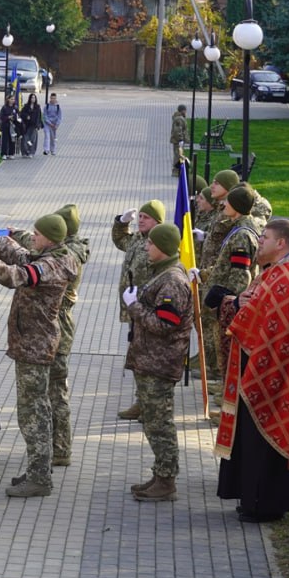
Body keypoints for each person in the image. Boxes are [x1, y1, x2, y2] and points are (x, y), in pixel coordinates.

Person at [215, 218, 289, 523]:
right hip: (262, 365)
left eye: (264, 238)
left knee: (262, 440)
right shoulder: (280, 270)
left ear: (281, 243)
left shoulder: (288, 276)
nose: (259, 242)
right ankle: (251, 497)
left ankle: (264, 503)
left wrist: (235, 306)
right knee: (250, 439)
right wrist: (237, 303)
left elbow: (274, 329)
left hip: (273, 373)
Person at [0, 215, 77, 497]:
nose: (34, 237)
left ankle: (39, 479)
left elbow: (20, 275)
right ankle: (39, 469)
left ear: (50, 239)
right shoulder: (53, 255)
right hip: (33, 342)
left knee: (33, 413)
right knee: (37, 409)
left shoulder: (52, 264)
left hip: (35, 346)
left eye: (37, 234)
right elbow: (25, 255)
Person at [11, 203, 86, 469]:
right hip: (57, 329)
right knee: (53, 392)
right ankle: (55, 448)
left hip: (55, 331)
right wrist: (13, 233)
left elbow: (31, 258)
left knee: (54, 393)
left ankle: (59, 448)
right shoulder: (70, 248)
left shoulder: (63, 257)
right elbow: (30, 247)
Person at [122, 224, 194, 501]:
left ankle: (166, 481)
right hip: (150, 359)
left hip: (160, 362)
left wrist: (134, 306)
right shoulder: (163, 274)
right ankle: (160, 473)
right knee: (153, 421)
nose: (146, 247)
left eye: (151, 243)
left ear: (163, 247)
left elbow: (164, 324)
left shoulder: (172, 282)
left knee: (160, 423)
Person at [194, 185, 260, 397]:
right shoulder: (236, 227)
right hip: (223, 294)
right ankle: (224, 385)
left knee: (227, 348)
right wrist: (204, 274)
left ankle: (228, 395)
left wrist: (229, 303)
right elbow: (225, 263)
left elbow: (241, 274)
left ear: (237, 207)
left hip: (229, 301)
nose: (224, 204)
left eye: (228, 202)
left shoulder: (241, 235)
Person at [112, 200, 162, 420]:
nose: (141, 220)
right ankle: (142, 402)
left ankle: (149, 406)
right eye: (140, 217)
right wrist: (121, 224)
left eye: (146, 217)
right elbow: (121, 240)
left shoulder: (159, 244)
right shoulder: (137, 240)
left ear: (158, 222)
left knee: (149, 358)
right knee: (139, 355)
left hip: (147, 310)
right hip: (135, 309)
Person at [19, 93, 43, 158]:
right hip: (26, 126)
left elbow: (39, 116)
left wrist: (38, 125)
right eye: (32, 98)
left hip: (34, 125)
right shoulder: (26, 106)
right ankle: (25, 152)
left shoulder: (37, 107)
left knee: (33, 140)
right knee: (25, 139)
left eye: (34, 98)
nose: (33, 99)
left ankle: (31, 152)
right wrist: (26, 116)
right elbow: (21, 114)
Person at [0, 94, 18, 159]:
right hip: (6, 125)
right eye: (11, 99)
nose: (13, 100)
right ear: (8, 100)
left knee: (12, 140)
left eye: (13, 99)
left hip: (12, 126)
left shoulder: (15, 108)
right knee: (5, 140)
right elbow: (1, 117)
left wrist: (14, 118)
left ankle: (11, 153)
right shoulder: (4, 108)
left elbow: (17, 116)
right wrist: (8, 117)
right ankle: (4, 154)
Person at [170, 104, 187, 176]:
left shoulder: (179, 118)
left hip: (177, 141)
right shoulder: (179, 119)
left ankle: (177, 170)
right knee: (178, 156)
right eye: (185, 110)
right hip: (178, 141)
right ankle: (176, 171)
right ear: (183, 110)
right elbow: (177, 131)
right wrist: (181, 139)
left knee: (178, 155)